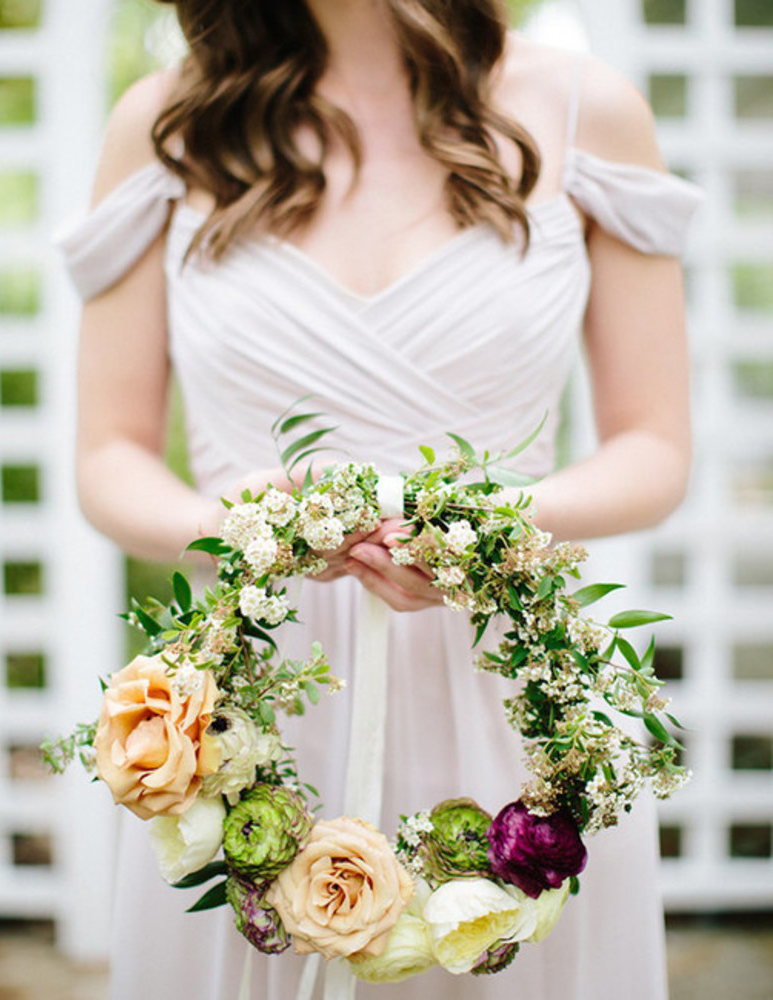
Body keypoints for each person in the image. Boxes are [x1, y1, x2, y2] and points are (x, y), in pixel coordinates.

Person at [58, 1, 702, 998]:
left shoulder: (586, 113)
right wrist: (250, 531)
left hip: (521, 706)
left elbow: (653, 446)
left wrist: (485, 531)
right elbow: (107, 455)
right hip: (246, 713)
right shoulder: (171, 124)